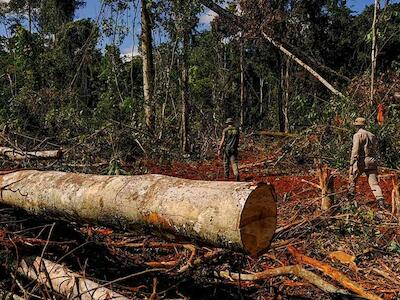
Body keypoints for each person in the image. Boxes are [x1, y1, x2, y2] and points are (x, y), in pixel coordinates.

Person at [348, 117, 385, 207]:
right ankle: (381, 202)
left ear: (356, 126)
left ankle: (350, 203)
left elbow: (355, 149)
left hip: (361, 161)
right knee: (374, 183)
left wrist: (351, 163)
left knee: (352, 180)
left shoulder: (357, 135)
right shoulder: (372, 135)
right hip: (372, 161)